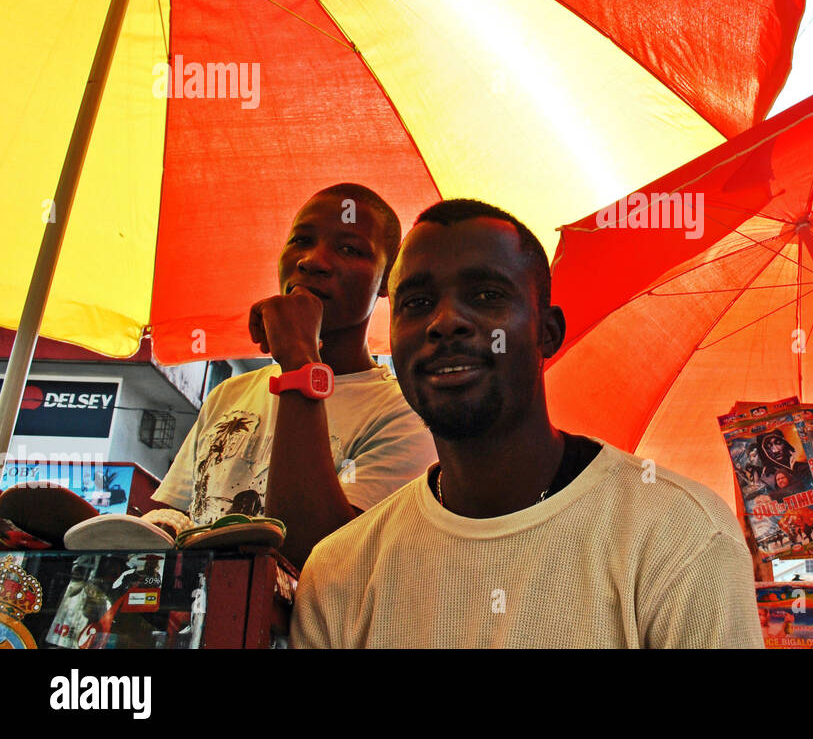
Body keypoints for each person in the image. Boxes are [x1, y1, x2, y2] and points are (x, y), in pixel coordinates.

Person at [290, 199, 763, 648]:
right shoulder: (341, 571)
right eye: (416, 303)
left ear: (548, 331)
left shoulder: (679, 536)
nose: (446, 321)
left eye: (486, 295)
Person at [152, 184, 437, 568]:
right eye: (301, 240)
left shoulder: (407, 415)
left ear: (387, 280)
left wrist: (301, 365)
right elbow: (175, 516)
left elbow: (317, 555)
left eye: (349, 249)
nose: (312, 261)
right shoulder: (229, 394)